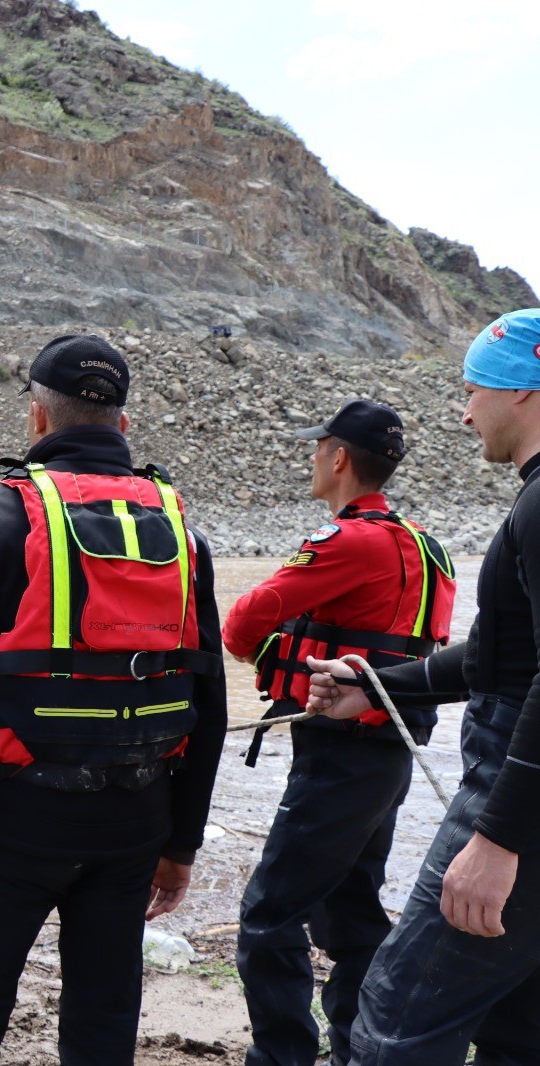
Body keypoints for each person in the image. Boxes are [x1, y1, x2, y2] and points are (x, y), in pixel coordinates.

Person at [0, 334, 228, 1066]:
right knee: (103, 1024)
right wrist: (180, 842)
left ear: (37, 421)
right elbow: (206, 700)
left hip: (10, 828)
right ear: (122, 426)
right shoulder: (184, 532)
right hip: (134, 827)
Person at [306, 308, 540, 1065]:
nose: (466, 411)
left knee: (395, 1016)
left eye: (477, 389)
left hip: (518, 803)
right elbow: (500, 658)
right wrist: (376, 685)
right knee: (516, 1025)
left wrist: (498, 842)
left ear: (526, 393)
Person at [223, 399, 455, 1066]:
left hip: (338, 754)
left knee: (268, 916)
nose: (311, 457)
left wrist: (273, 653)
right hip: (388, 757)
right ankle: (358, 1048)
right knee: (350, 913)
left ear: (339, 458)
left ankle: (283, 1058)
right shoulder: (427, 546)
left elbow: (242, 626)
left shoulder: (347, 542)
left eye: (316, 446)